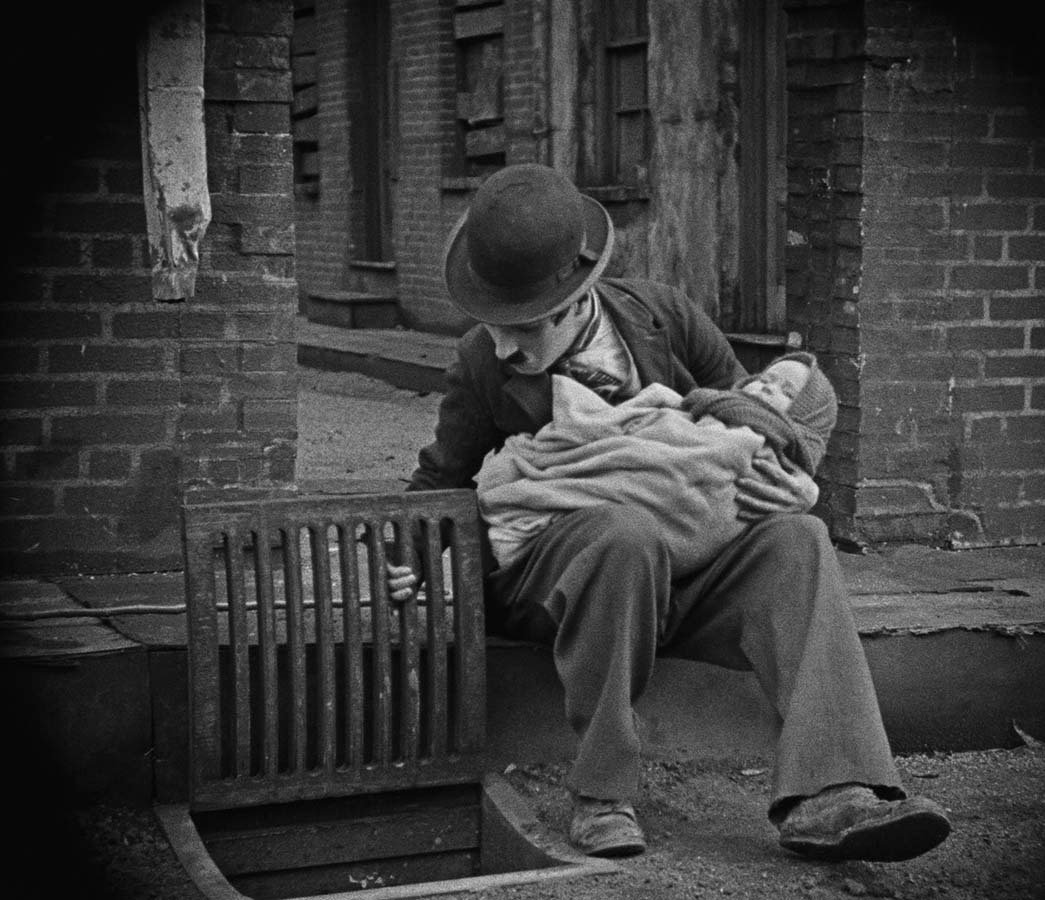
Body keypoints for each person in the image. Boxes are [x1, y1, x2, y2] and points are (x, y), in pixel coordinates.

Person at [387, 163, 951, 862]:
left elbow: (752, 422)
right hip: (557, 585)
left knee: (799, 538)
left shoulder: (665, 317)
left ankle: (832, 792)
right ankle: (601, 794)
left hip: (679, 570)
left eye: (523, 328)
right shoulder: (481, 363)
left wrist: (790, 484)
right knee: (622, 532)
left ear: (575, 299)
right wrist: (407, 558)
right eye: (492, 326)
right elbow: (439, 478)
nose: (503, 346)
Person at [474, 352, 836, 573]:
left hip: (673, 557)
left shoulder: (667, 313)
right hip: (585, 550)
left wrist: (806, 486)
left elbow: (695, 468)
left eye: (787, 392)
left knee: (807, 533)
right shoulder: (481, 354)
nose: (768, 387)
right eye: (766, 379)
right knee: (625, 530)